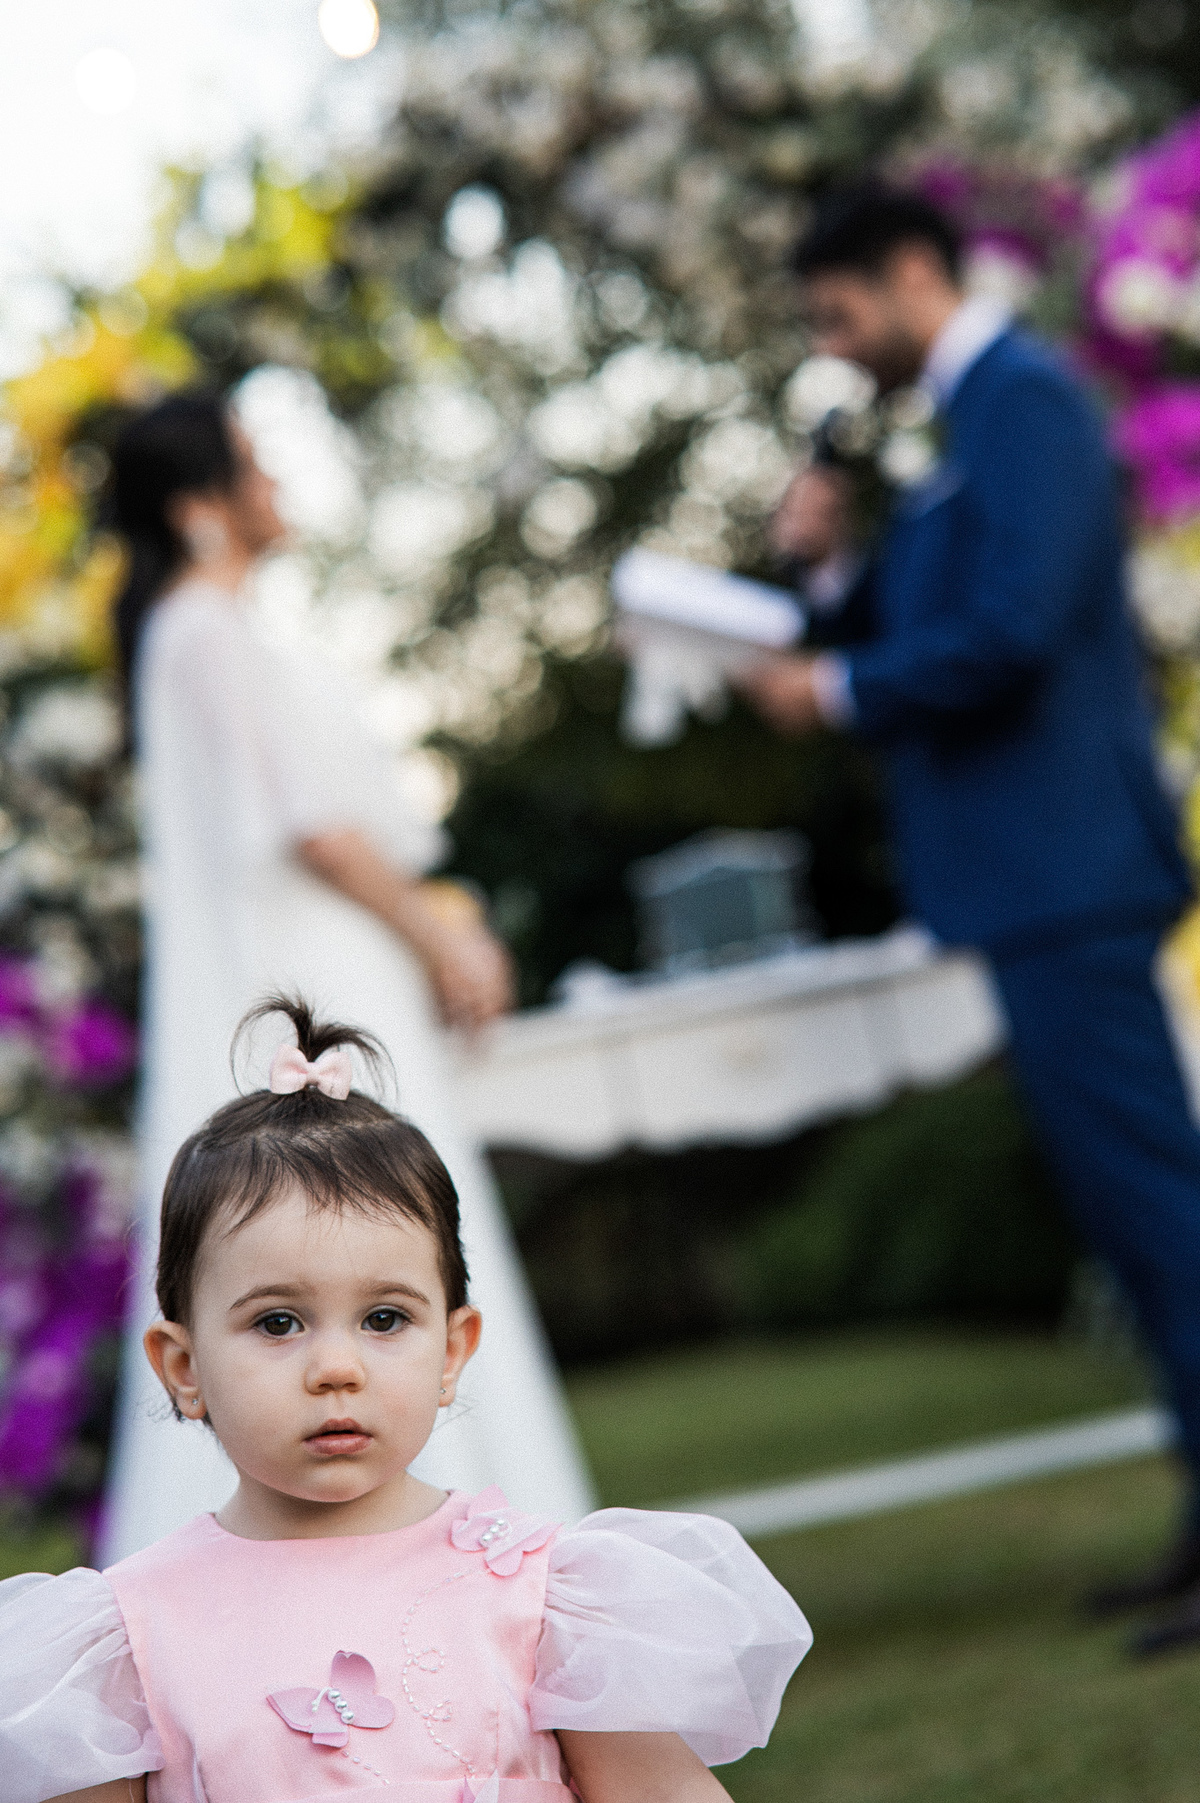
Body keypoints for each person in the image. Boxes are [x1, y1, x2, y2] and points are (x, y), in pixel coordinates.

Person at [740, 185, 1200, 1656]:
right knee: (1139, 1234)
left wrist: (841, 692)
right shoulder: (954, 427)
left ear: (915, 272)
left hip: (1071, 872)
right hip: (1027, 886)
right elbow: (909, 612)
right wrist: (823, 570)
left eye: (838, 312)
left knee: (1167, 1218)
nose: (833, 344)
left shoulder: (1028, 402)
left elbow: (1010, 627)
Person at [0, 997, 812, 1803]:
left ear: (453, 1350)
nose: (336, 1367)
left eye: (384, 1318)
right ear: (184, 1367)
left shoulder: (546, 1597)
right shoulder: (130, 1639)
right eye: (278, 1321)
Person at [102, 393, 593, 1563]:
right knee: (366, 1233)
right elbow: (313, 828)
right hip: (314, 979)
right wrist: (443, 936)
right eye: (253, 467)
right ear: (199, 508)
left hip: (320, 959)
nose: (276, 485)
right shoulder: (208, 634)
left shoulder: (197, 635)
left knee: (376, 1238)